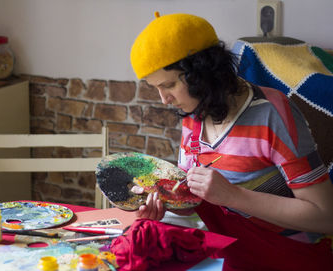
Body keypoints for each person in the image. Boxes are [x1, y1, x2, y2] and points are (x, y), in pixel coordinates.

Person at [129, 11, 333, 270]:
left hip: (291, 257)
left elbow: (325, 216)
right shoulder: (193, 115)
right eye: (154, 87)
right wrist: (164, 205)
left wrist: (233, 196)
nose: (163, 99)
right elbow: (196, 200)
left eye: (168, 85)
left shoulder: (273, 114)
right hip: (231, 253)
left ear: (201, 72)